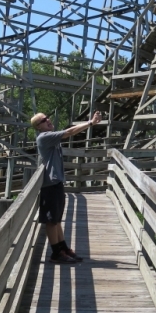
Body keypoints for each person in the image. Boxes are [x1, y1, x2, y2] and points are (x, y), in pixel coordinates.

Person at [30, 110, 102, 264]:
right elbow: (69, 132)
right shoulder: (44, 137)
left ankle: (63, 248)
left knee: (56, 220)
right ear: (38, 127)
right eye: (43, 120)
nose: (48, 120)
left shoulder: (50, 136)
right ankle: (56, 253)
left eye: (47, 117)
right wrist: (90, 123)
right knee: (51, 221)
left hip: (56, 183)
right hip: (50, 185)